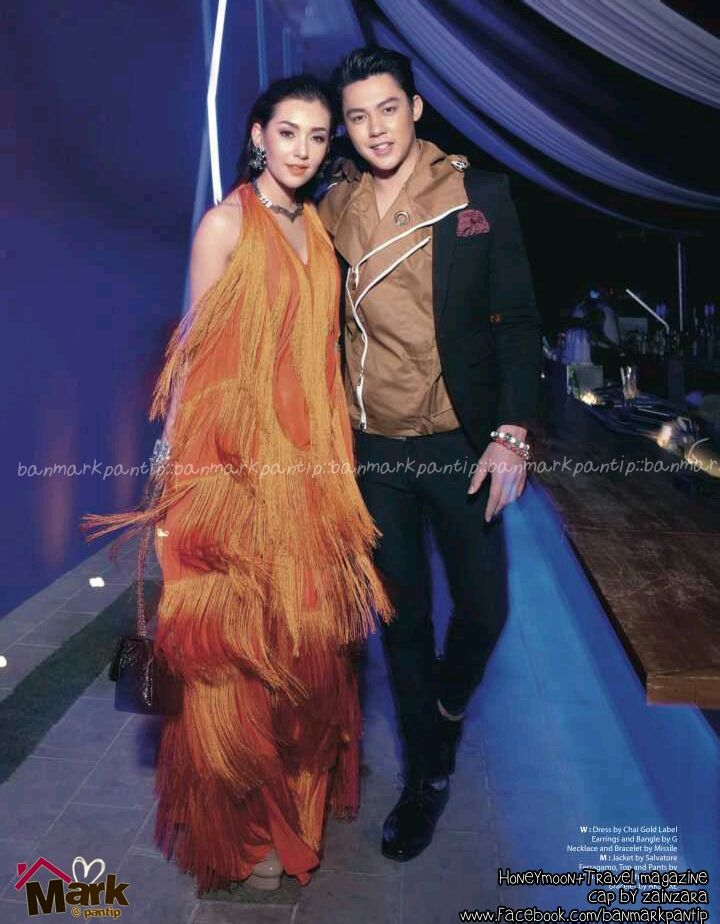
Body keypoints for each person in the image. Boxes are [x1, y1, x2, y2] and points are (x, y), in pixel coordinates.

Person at [82, 75, 391, 894]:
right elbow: (193, 349)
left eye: (318, 136)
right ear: (258, 135)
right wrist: (173, 459)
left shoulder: (316, 226)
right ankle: (251, 829)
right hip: (234, 474)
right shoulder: (225, 224)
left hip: (312, 471)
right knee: (242, 656)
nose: (302, 149)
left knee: (307, 646)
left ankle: (295, 810)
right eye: (288, 132)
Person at [318, 47, 542, 862]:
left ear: (415, 108)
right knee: (403, 618)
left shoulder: (478, 196)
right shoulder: (335, 206)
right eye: (358, 116)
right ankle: (425, 776)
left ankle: (445, 706)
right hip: (375, 451)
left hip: (459, 444)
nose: (376, 128)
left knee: (485, 608)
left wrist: (512, 431)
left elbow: (517, 320)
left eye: (388, 108)